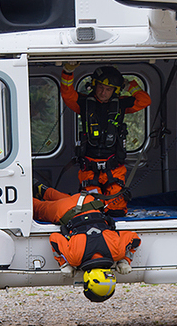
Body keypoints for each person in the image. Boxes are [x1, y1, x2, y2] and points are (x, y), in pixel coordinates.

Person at [61, 64, 151, 216]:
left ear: (115, 90)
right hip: (89, 169)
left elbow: (144, 100)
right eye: (101, 87)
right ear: (94, 85)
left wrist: (129, 85)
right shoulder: (83, 103)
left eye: (108, 89)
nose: (104, 92)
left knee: (116, 211)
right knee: (90, 211)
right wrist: (68, 72)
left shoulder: (121, 104)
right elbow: (67, 93)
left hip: (114, 168)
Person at [33, 181, 140, 303]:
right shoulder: (75, 258)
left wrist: (125, 260)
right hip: (65, 210)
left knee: (69, 199)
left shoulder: (116, 252)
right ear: (87, 279)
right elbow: (54, 238)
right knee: (37, 209)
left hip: (88, 201)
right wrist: (64, 263)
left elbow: (134, 238)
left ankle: (42, 188)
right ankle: (32, 190)